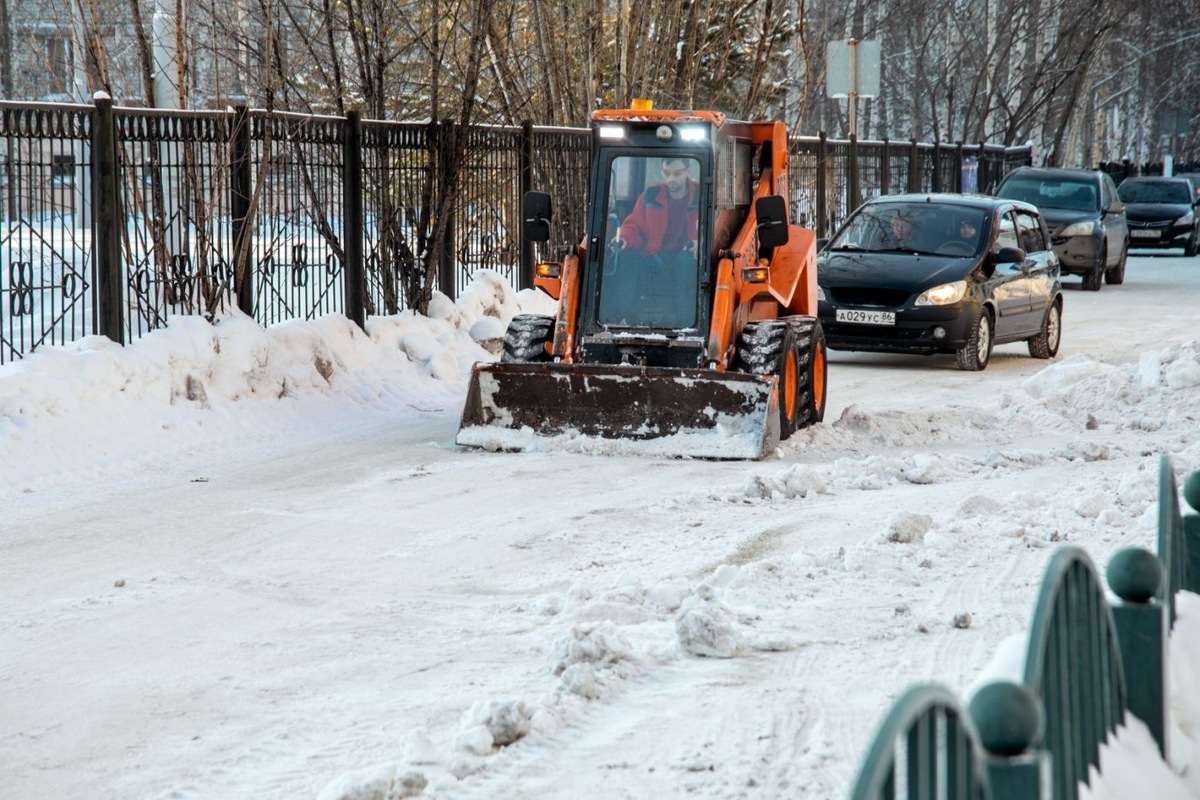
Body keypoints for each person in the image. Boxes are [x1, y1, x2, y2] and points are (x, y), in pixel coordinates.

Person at [611, 158, 699, 259]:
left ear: (688, 172)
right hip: (653, 257)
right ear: (661, 171)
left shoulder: (701, 196)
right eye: (667, 173)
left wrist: (700, 245)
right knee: (624, 259)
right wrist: (624, 239)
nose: (671, 178)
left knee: (688, 261)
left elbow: (713, 232)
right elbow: (634, 226)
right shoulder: (650, 196)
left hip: (687, 259)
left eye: (677, 173)